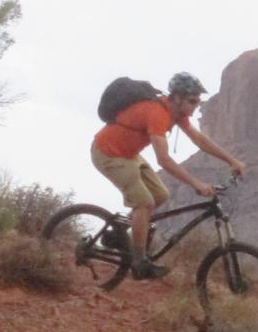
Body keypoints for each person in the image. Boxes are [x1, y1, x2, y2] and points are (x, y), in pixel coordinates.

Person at [91, 72, 245, 279]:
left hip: (129, 155)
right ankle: (139, 262)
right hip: (108, 154)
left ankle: (119, 235)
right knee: (144, 203)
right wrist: (196, 183)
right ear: (177, 97)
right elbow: (163, 160)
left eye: (198, 100)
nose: (196, 104)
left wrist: (231, 160)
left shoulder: (178, 114)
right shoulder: (157, 113)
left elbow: (199, 139)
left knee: (160, 195)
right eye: (192, 100)